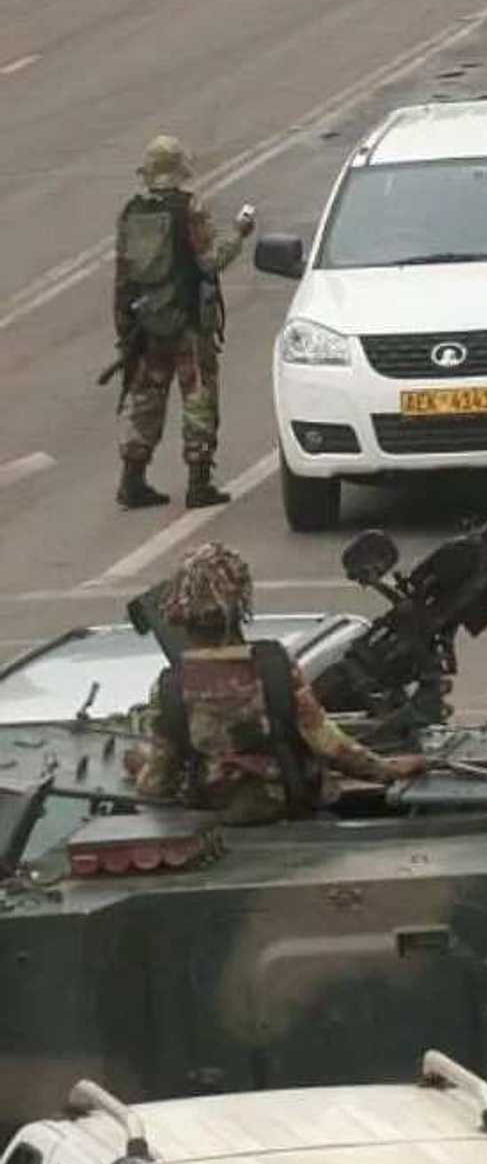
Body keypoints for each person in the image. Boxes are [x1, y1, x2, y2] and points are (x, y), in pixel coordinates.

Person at [132, 543, 425, 824]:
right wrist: (388, 770)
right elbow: (326, 743)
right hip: (290, 806)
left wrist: (141, 768)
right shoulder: (274, 666)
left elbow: (158, 782)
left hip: (217, 815)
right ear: (240, 604)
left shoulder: (171, 686)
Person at [114, 136, 255, 511]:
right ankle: (198, 482)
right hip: (188, 323)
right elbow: (209, 262)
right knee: (198, 396)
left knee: (145, 399)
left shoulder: (131, 212)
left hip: (146, 325)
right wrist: (239, 234)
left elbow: (123, 277)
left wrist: (125, 329)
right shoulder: (188, 208)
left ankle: (132, 478)